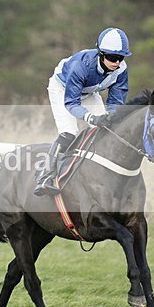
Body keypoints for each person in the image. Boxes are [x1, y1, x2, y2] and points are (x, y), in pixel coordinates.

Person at [34, 27, 131, 196]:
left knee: (106, 130)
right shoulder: (81, 65)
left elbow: (116, 101)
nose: (117, 62)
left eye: (121, 58)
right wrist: (91, 117)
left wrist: (111, 116)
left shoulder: (121, 69)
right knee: (69, 133)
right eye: (112, 57)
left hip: (89, 91)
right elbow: (71, 103)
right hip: (63, 89)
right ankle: (45, 175)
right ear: (101, 54)